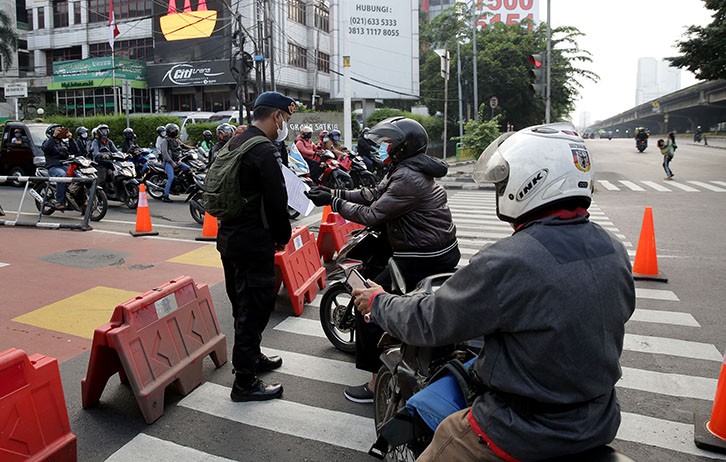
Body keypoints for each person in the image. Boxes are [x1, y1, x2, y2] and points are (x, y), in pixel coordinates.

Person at [352, 123, 635, 461]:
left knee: (446, 434)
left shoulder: (510, 260)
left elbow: (431, 321)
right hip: (598, 419)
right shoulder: (612, 248)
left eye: (502, 182)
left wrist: (379, 302)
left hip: (521, 428)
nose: (500, 190)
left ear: (530, 181)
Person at [306, 116, 460, 404]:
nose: (382, 149)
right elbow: (373, 193)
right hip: (434, 249)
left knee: (370, 305)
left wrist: (336, 204)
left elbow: (373, 213)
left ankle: (376, 383)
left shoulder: (407, 177)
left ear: (401, 147)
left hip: (420, 255)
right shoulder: (406, 169)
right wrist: (332, 194)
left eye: (387, 144)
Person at [216, 91, 294, 402]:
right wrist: (283, 235)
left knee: (242, 306)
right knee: (256, 308)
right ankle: (244, 382)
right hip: (253, 243)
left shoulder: (236, 141)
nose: (286, 124)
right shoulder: (263, 150)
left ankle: (253, 357)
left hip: (230, 240)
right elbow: (277, 200)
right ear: (276, 116)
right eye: (285, 119)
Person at [41, 125, 77, 209]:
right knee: (62, 176)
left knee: (79, 174)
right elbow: (46, 148)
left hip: (65, 164)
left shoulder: (63, 143)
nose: (60, 132)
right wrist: (53, 137)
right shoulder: (47, 141)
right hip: (54, 166)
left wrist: (71, 139)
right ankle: (59, 201)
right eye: (58, 131)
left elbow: (75, 151)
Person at [161, 122, 191, 202]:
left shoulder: (176, 140)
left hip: (177, 161)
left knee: (189, 169)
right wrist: (171, 162)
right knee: (171, 177)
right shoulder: (165, 141)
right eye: (174, 131)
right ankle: (165, 196)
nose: (175, 132)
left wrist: (193, 148)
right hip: (168, 162)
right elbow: (165, 154)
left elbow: (183, 146)